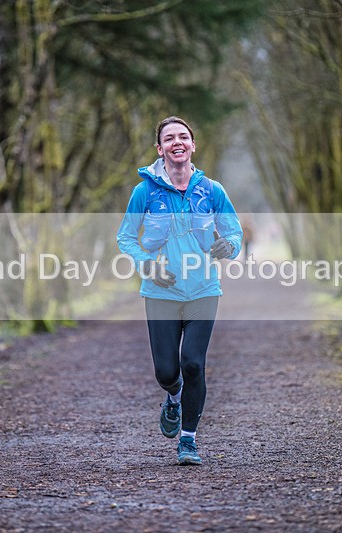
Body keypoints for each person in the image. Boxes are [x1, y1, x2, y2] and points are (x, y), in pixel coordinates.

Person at [116, 116, 242, 465]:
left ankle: (188, 441)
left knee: (193, 364)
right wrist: (148, 263)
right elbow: (126, 237)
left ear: (193, 145)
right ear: (160, 149)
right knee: (167, 373)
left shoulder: (212, 190)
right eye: (169, 138)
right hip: (160, 293)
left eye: (183, 136)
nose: (177, 142)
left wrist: (228, 248)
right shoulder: (145, 192)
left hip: (203, 289)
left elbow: (234, 233)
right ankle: (173, 398)